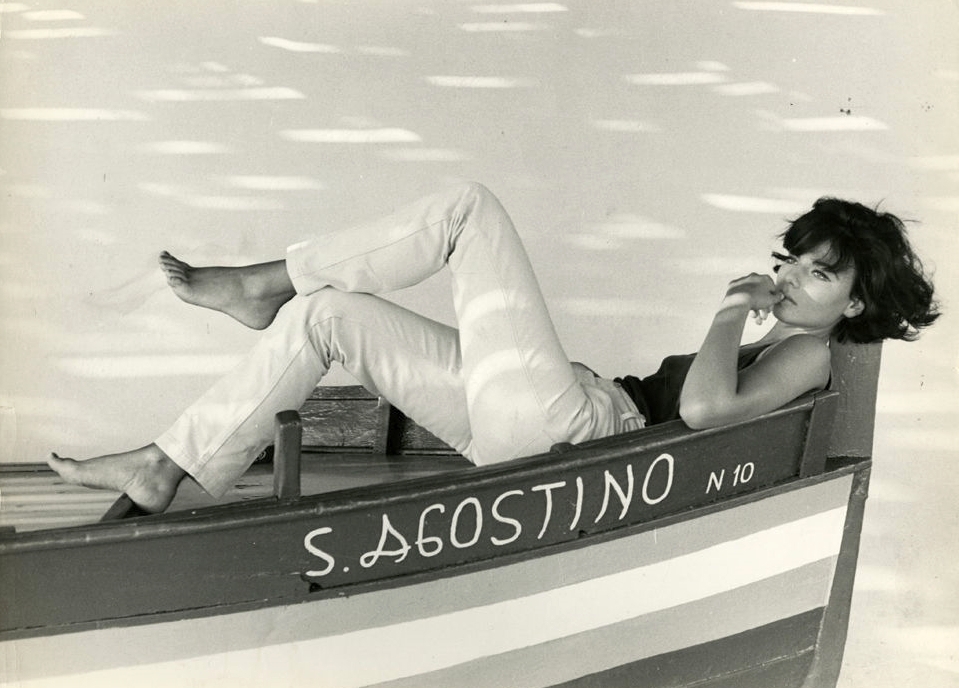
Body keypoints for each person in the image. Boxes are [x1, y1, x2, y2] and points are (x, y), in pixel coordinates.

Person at [47, 182, 939, 512]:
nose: (791, 277)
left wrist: (727, 313)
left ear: (856, 301)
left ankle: (260, 281)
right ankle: (166, 465)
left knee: (468, 210)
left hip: (583, 437)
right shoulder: (787, 340)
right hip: (536, 425)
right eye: (793, 259)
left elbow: (704, 412)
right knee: (332, 315)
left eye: (819, 273)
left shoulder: (809, 355)